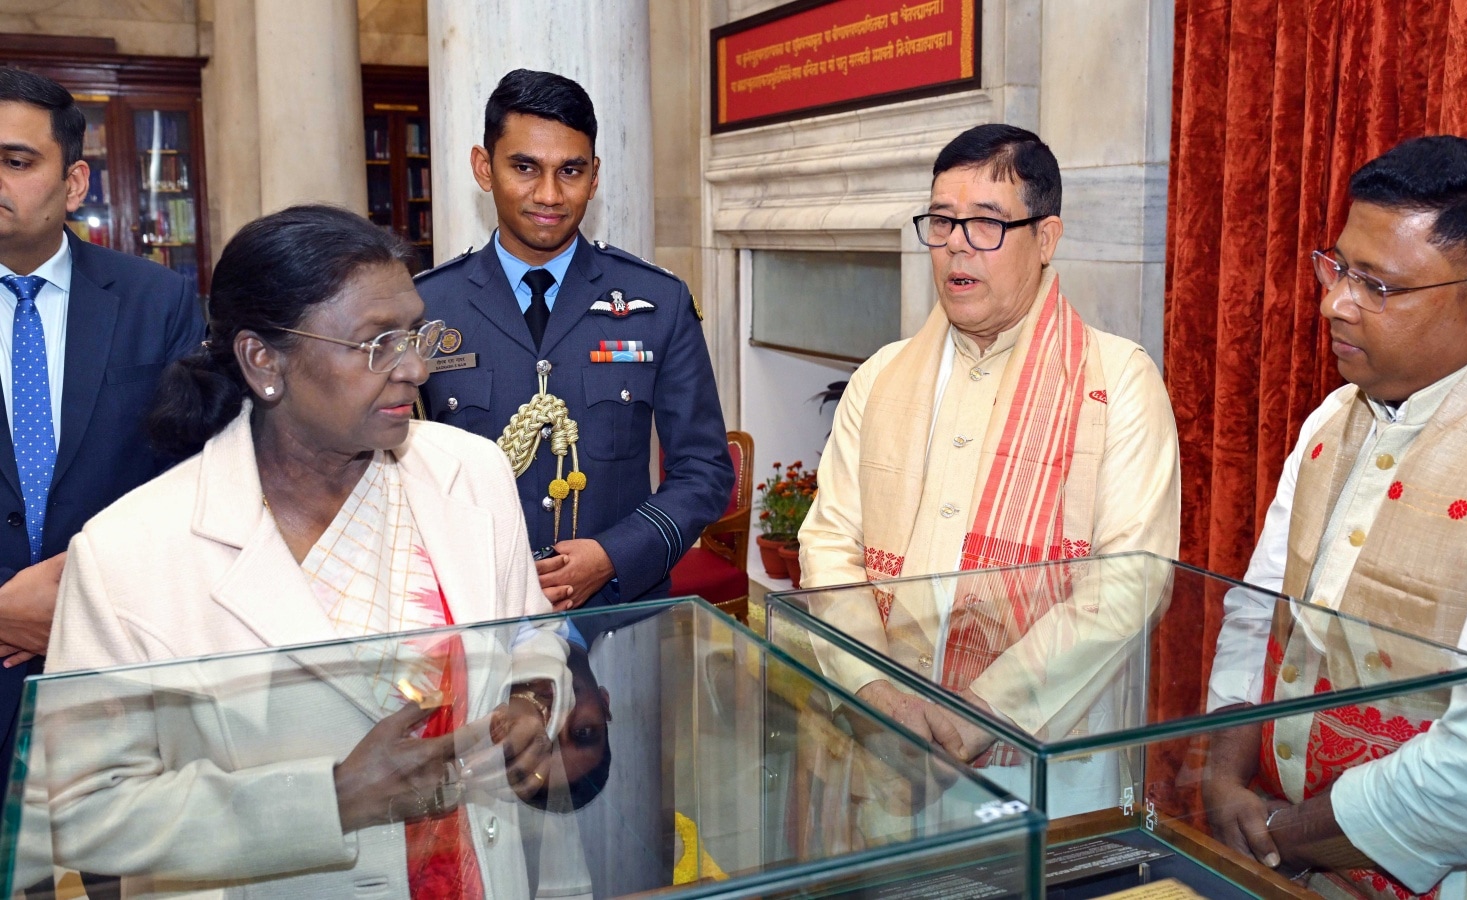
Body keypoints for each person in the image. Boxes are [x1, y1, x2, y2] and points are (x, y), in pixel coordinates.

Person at [38, 205, 562, 897]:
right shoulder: (129, 552)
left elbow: (528, 632)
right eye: (376, 344)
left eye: (414, 334)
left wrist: (530, 700)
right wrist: (330, 800)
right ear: (264, 360)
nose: (414, 367)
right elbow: (83, 812)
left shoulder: (470, 472)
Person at [1203, 136, 1467, 899]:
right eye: (1337, 268)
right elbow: (1260, 612)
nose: (1334, 302)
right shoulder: (1335, 417)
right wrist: (1223, 776)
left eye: (1377, 286)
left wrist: (1281, 835)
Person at [796, 124, 1180, 812]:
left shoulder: (1118, 380)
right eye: (942, 221)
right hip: (885, 744)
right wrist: (874, 692)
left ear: (1047, 238)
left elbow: (1132, 583)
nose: (956, 245)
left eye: (986, 224)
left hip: (1042, 763)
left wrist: (977, 715)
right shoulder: (881, 376)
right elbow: (829, 543)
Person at [416, 69, 732, 614]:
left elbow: (704, 469)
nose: (549, 194)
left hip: (618, 615)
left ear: (595, 175)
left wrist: (614, 555)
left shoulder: (658, 302)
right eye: (524, 167)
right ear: (483, 168)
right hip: (477, 615)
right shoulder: (425, 308)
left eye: (570, 171)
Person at [0, 67, 204, 796]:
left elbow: (194, 480)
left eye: (16, 160)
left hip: (120, 671)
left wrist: (90, 599)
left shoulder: (159, 301)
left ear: (75, 182)